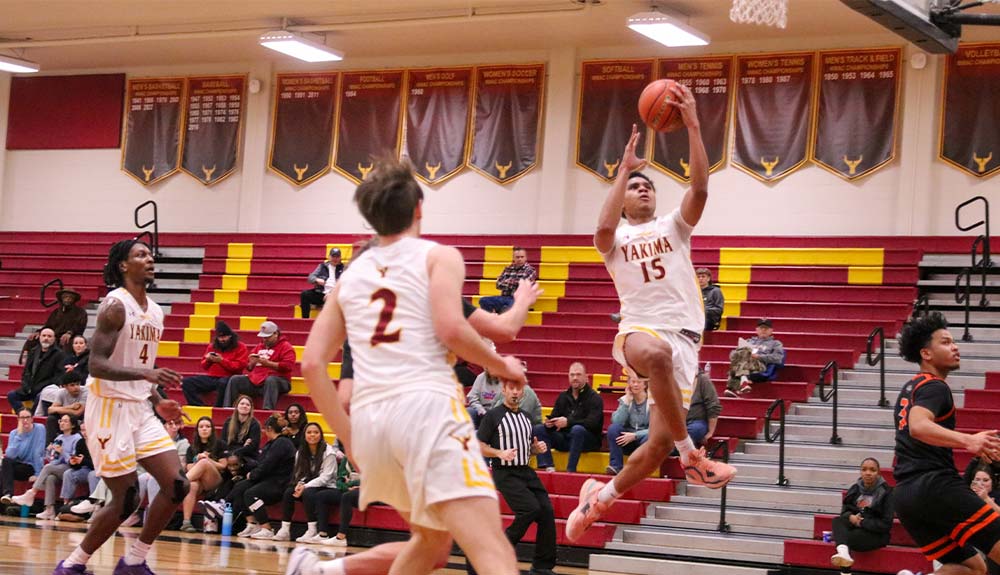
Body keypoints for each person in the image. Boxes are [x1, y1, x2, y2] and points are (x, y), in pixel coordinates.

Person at [291, 157, 527, 575]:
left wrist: (349, 436)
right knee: (493, 551)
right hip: (425, 409)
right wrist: (500, 364)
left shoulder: (349, 278)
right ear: (419, 205)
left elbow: (311, 363)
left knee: (431, 542)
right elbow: (451, 328)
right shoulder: (438, 257)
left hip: (372, 425)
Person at [572, 86, 737, 543]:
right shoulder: (616, 238)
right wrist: (623, 170)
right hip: (640, 332)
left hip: (687, 341)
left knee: (654, 446)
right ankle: (693, 458)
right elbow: (602, 227)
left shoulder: (673, 227)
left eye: (647, 186)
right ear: (623, 198)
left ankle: (598, 500)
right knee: (658, 355)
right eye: (635, 186)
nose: (643, 189)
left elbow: (700, 187)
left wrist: (694, 126)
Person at [51, 238, 187, 575]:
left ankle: (135, 561)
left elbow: (142, 363)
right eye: (141, 255)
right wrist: (147, 374)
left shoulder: (155, 311)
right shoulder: (115, 305)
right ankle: (72, 565)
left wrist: (158, 399)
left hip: (140, 407)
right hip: (109, 407)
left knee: (177, 485)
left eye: (150, 254)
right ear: (124, 265)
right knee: (125, 499)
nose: (150, 258)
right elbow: (95, 365)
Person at [890, 311, 1000, 575]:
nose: (955, 346)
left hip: (906, 495)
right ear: (926, 354)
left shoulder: (910, 387)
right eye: (946, 342)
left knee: (971, 567)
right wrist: (968, 440)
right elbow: (918, 426)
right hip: (934, 486)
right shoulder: (935, 387)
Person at [475, 378, 557, 575]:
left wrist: (535, 449)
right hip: (505, 472)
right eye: (510, 388)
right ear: (503, 390)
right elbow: (479, 445)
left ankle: (542, 566)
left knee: (546, 511)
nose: (514, 392)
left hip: (525, 470)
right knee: (530, 509)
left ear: (523, 392)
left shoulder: (527, 418)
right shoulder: (493, 416)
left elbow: (526, 449)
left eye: (518, 389)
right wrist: (498, 453)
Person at [268, 422, 339, 541]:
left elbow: (326, 477)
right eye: (309, 432)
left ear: (321, 435)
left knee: (308, 493)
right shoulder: (301, 452)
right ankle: (285, 529)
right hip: (309, 484)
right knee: (289, 492)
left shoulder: (329, 452)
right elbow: (299, 473)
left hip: (328, 486)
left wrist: (305, 486)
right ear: (304, 435)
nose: (312, 435)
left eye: (316, 432)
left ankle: (312, 530)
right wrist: (300, 484)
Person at [233, 414, 296, 539]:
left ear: (269, 428)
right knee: (239, 488)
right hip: (267, 479)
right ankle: (252, 524)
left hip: (279, 483)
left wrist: (253, 475)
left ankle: (267, 528)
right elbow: (261, 463)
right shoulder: (271, 443)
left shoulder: (282, 443)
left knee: (250, 494)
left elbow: (268, 465)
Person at [532, 362, 604, 473]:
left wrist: (568, 422)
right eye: (572, 375)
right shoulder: (563, 396)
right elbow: (554, 416)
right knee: (539, 429)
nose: (575, 378)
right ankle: (547, 466)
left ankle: (571, 470)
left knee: (577, 430)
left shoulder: (595, 398)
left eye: (578, 375)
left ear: (586, 377)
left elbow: (593, 424)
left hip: (587, 440)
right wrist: (550, 423)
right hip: (566, 438)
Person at [829, 457, 894, 573]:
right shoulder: (855, 489)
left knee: (845, 537)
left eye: (872, 470)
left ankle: (845, 570)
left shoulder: (887, 492)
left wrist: (861, 522)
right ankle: (843, 554)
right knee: (837, 521)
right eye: (864, 469)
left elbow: (886, 524)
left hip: (876, 534)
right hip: (856, 526)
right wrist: (851, 517)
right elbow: (844, 512)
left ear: (878, 473)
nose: (868, 473)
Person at [12, 413, 83, 519]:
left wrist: (63, 452)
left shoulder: (77, 438)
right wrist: (49, 451)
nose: (62, 423)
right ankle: (49, 509)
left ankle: (32, 492)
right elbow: (53, 459)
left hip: (70, 468)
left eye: (65, 421)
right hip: (58, 467)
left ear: (72, 425)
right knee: (50, 478)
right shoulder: (59, 437)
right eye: (61, 421)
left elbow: (73, 460)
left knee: (48, 467)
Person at [223, 321, 295, 410]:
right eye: (263, 337)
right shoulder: (259, 347)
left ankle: (267, 410)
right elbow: (249, 367)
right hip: (257, 380)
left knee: (271, 380)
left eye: (267, 337)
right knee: (235, 379)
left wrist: (268, 363)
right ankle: (228, 408)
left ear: (276, 334)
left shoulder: (286, 347)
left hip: (279, 380)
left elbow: (288, 366)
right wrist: (252, 363)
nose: (265, 340)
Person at [181, 321, 248, 407]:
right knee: (186, 382)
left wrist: (221, 361)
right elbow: (204, 366)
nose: (222, 340)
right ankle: (198, 405)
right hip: (212, 377)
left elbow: (239, 366)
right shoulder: (212, 346)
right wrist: (208, 360)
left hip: (231, 378)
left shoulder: (241, 347)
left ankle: (218, 407)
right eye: (220, 337)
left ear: (230, 336)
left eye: (225, 337)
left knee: (222, 383)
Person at [178, 416, 226, 533]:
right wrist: (196, 459)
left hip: (215, 481)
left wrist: (208, 459)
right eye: (201, 427)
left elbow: (223, 466)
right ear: (197, 430)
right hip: (199, 482)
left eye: (208, 426)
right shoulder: (191, 448)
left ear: (212, 430)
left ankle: (178, 486)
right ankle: (186, 522)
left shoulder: (220, 444)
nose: (204, 429)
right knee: (192, 485)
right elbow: (190, 469)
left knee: (204, 462)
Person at [10, 327, 66, 414]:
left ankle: (31, 415)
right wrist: (26, 385)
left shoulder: (59, 354)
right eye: (44, 336)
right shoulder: (33, 351)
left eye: (49, 336)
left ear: (54, 339)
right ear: (39, 337)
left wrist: (41, 387)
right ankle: (22, 414)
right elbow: (26, 372)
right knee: (12, 395)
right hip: (30, 387)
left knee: (40, 397)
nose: (46, 338)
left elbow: (58, 376)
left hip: (46, 389)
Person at [726, 318, 785, 397]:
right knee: (741, 354)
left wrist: (759, 356)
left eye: (766, 328)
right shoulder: (749, 341)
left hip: (760, 365)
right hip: (746, 364)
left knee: (742, 358)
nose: (763, 330)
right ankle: (743, 382)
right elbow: (732, 356)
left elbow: (778, 358)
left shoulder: (776, 343)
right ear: (756, 330)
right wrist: (738, 353)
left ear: (771, 330)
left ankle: (731, 387)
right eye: (761, 328)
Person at [606, 375, 650, 476]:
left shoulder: (652, 402)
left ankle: (641, 469)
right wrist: (626, 402)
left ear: (645, 385)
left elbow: (656, 429)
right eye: (633, 382)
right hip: (626, 441)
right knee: (613, 429)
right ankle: (616, 466)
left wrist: (635, 435)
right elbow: (616, 421)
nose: (635, 384)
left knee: (650, 437)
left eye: (638, 382)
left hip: (643, 440)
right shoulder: (624, 400)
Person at [0, 409, 46, 503]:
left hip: (31, 467)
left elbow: (38, 452)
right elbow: (10, 455)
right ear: (18, 420)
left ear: (32, 419)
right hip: (18, 465)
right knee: (5, 463)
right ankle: (7, 495)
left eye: (27, 417)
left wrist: (38, 474)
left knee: (3, 471)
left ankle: (7, 496)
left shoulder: (40, 429)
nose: (25, 420)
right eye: (22, 418)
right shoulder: (14, 433)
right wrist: (19, 435)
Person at [478, 247, 538, 314]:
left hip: (519, 300)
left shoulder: (530, 270)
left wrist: (507, 282)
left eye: (522, 257)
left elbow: (522, 285)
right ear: (513, 258)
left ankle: (503, 311)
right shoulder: (507, 269)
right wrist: (515, 282)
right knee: (483, 300)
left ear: (526, 258)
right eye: (517, 257)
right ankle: (493, 317)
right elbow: (498, 284)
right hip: (504, 298)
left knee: (509, 306)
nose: (520, 259)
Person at [45, 371, 88, 443]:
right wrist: (70, 407)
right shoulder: (61, 392)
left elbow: (77, 413)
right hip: (65, 419)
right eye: (72, 385)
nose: (76, 387)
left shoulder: (85, 392)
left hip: (80, 420)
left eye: (78, 384)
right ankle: (50, 445)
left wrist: (59, 409)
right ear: (65, 386)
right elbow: (50, 410)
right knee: (51, 418)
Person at [301, 247, 345, 319]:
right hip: (321, 293)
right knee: (305, 294)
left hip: (335, 295)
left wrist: (331, 293)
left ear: (340, 258)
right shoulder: (322, 266)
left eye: (337, 256)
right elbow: (310, 278)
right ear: (329, 257)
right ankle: (305, 320)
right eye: (333, 256)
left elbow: (345, 284)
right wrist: (317, 280)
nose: (335, 258)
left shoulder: (344, 268)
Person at [42, 288, 89, 352]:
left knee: (66, 342)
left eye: (70, 297)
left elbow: (80, 327)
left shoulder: (81, 312)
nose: (68, 299)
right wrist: (39, 332)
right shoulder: (56, 312)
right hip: (55, 336)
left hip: (72, 337)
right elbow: (48, 325)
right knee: (33, 340)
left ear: (74, 299)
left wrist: (69, 333)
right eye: (65, 297)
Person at [687, 368, 721, 446]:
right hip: (676, 421)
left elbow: (713, 405)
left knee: (696, 429)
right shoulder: (673, 379)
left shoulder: (703, 380)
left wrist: (710, 432)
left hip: (696, 421)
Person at [696, 268, 724, 332]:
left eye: (703, 276)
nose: (700, 279)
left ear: (708, 278)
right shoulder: (693, 291)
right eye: (698, 277)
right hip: (695, 317)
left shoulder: (716, 291)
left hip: (709, 318)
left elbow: (719, 310)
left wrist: (704, 310)